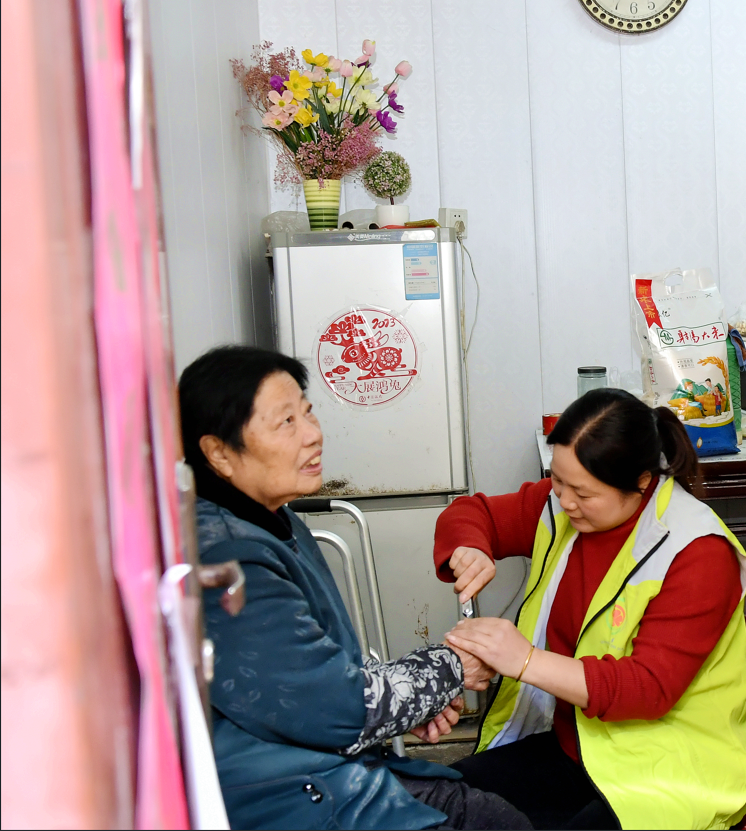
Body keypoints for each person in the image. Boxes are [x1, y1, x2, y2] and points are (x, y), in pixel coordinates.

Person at [180, 346, 529, 830]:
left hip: (324, 768)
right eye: (286, 422)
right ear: (219, 452)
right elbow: (338, 708)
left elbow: (319, 668)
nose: (313, 434)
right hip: (286, 794)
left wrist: (411, 703)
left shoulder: (274, 519)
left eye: (308, 412)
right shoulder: (229, 562)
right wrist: (452, 668)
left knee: (487, 809)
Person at [434, 388, 746, 830]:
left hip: (668, 767)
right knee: (429, 804)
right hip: (579, 750)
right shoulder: (560, 508)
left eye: (583, 493)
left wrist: (524, 660)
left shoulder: (697, 551)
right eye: (558, 481)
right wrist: (470, 546)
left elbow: (647, 688)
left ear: (641, 482)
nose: (565, 501)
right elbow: (473, 513)